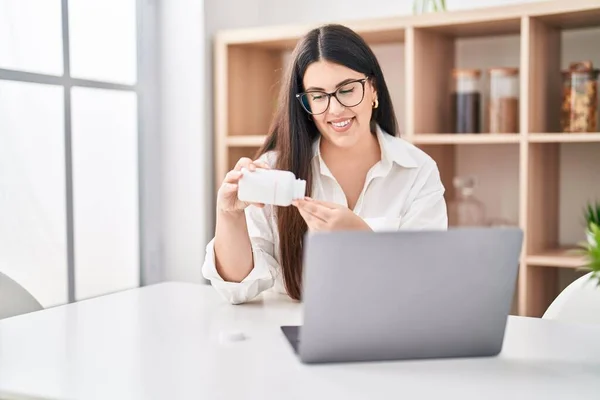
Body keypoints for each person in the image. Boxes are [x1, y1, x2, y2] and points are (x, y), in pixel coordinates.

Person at [202, 24, 448, 305]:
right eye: (318, 96)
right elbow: (239, 289)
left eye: (347, 90)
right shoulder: (273, 171)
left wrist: (362, 239)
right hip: (289, 338)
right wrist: (228, 215)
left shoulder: (417, 171)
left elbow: (426, 284)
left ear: (373, 89)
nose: (335, 110)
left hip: (387, 336)